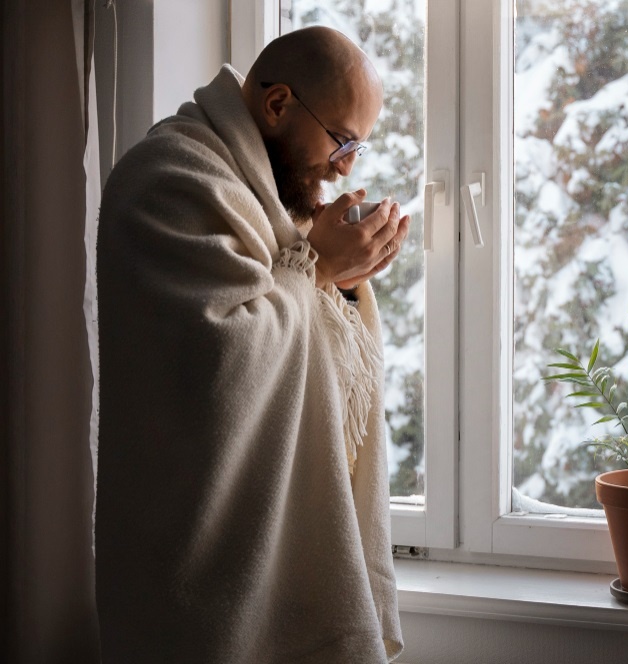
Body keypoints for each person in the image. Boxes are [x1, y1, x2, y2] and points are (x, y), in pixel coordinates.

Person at [95, 27, 408, 663]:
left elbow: (306, 327)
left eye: (358, 146)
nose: (347, 165)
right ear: (276, 105)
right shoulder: (171, 179)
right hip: (194, 571)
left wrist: (344, 280)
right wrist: (317, 267)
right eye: (342, 140)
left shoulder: (271, 194)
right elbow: (223, 364)